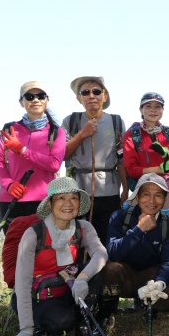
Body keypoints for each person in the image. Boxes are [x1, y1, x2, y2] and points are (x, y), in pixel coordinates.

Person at [10, 177, 108, 336]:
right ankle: (48, 322)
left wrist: (83, 278)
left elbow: (101, 253)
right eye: (61, 198)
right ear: (50, 204)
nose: (68, 203)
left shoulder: (83, 227)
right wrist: (26, 328)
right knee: (60, 323)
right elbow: (22, 282)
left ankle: (83, 328)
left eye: (74, 198)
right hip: (39, 297)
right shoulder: (34, 234)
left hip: (68, 289)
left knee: (97, 271)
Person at [101, 173, 169, 323]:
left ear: (164, 200)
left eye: (158, 195)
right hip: (124, 274)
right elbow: (113, 252)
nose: (151, 201)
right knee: (111, 270)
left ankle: (148, 305)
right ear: (137, 197)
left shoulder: (168, 225)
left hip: (149, 276)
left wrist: (160, 282)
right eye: (146, 194)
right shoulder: (119, 217)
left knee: (167, 300)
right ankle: (107, 311)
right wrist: (139, 229)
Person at [62, 76, 128, 243]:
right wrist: (82, 134)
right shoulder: (71, 121)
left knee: (107, 238)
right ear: (79, 98)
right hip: (78, 191)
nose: (91, 96)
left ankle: (104, 269)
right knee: (79, 240)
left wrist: (126, 190)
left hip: (109, 191)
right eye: (86, 92)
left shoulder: (116, 122)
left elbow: (121, 159)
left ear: (104, 96)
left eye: (97, 92)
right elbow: (62, 154)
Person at [0, 81, 66, 229]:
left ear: (47, 100)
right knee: (14, 251)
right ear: (22, 102)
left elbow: (54, 165)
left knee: (43, 251)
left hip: (44, 202)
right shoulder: (8, 129)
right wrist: (9, 185)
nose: (36, 100)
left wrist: (22, 150)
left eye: (40, 96)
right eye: (29, 96)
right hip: (10, 201)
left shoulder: (56, 132)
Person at [123, 92, 169, 191]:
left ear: (162, 110)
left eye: (158, 106)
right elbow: (130, 170)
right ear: (140, 109)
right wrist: (160, 169)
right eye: (148, 106)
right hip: (143, 193)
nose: (153, 110)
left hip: (168, 192)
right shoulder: (131, 135)